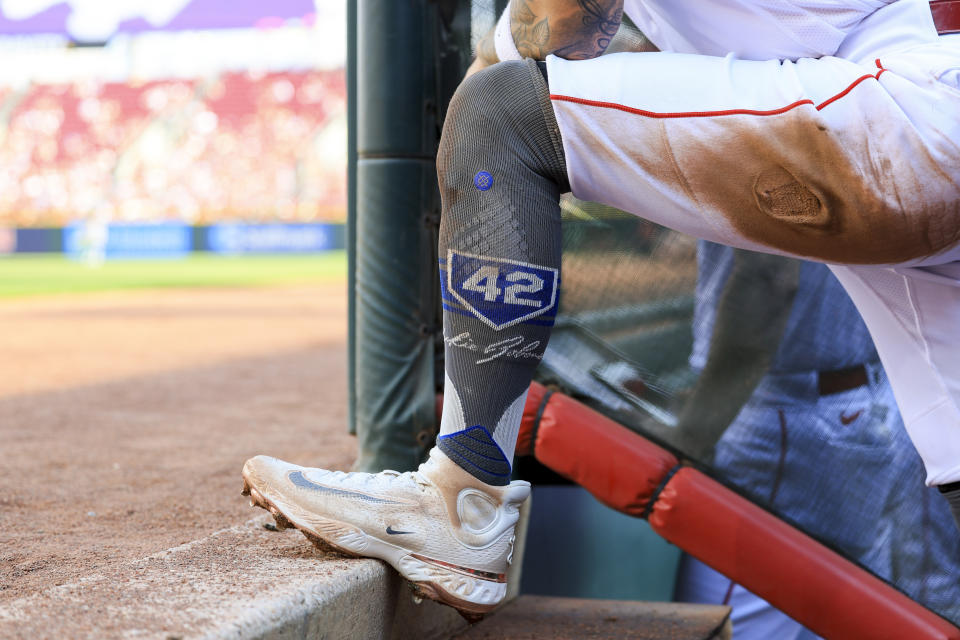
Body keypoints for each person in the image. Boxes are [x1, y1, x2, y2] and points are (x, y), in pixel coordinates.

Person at [242, 0, 960, 615]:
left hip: (910, 108)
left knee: (501, 117)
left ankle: (463, 505)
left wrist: (477, 119)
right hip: (915, 94)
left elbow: (556, 31)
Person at [671, 242, 960, 637]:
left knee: (738, 619)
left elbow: (769, 278)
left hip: (782, 412)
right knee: (840, 606)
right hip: (873, 397)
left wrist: (691, 436)